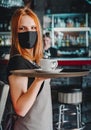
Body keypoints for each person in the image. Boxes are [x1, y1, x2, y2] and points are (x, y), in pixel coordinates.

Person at [7, 7, 53, 130]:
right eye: (22, 28)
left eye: (33, 28)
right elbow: (20, 109)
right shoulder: (18, 62)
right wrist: (39, 79)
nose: (29, 33)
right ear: (15, 33)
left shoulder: (31, 60)